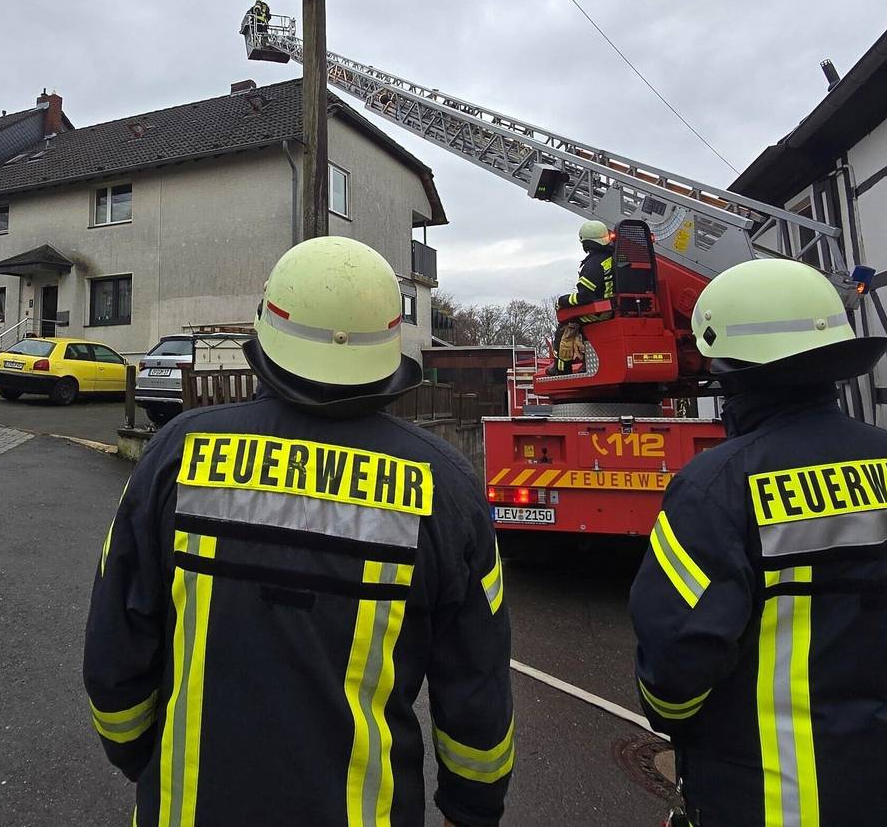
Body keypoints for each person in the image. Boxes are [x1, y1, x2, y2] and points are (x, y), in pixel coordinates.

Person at [83, 236, 514, 827]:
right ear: (389, 348)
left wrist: (140, 756)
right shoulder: (445, 489)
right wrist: (473, 807)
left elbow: (116, 647)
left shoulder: (177, 454)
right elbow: (477, 690)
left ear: (267, 331)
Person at [629, 258, 887, 827]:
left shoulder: (716, 486)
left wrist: (677, 722)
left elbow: (676, 663)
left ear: (731, 371)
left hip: (770, 797)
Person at [545, 219, 614, 375]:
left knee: (566, 327)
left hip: (600, 312)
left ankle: (561, 369)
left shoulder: (593, 264)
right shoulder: (612, 258)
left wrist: (563, 301)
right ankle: (586, 362)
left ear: (586, 242)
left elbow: (585, 297)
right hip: (613, 308)